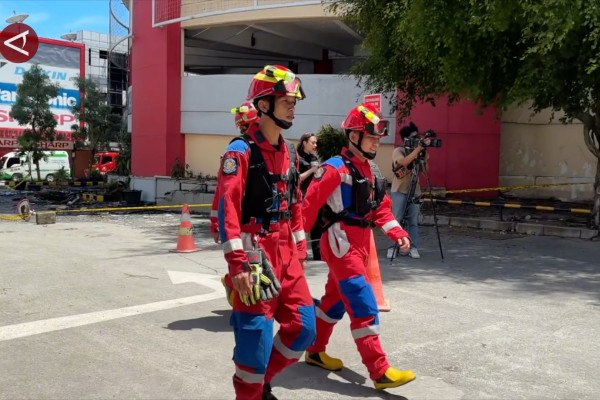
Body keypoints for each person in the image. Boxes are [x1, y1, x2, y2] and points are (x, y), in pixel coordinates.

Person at [214, 65, 316, 400]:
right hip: (254, 254)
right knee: (254, 341)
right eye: (286, 99)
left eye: (293, 100)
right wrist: (238, 264)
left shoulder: (289, 152)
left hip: (287, 255)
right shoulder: (240, 152)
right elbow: (227, 207)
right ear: (263, 105)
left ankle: (262, 383)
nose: (293, 105)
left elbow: (295, 203)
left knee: (303, 328)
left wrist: (299, 249)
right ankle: (250, 390)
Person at [301, 103, 416, 390]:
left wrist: (397, 232)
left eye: (378, 139)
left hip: (361, 243)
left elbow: (382, 210)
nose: (376, 143)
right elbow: (307, 207)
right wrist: (297, 248)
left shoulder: (372, 169)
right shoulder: (333, 169)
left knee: (333, 301)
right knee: (364, 304)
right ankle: (380, 371)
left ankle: (315, 351)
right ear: (353, 137)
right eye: (371, 138)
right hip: (341, 243)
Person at [210, 101, 260, 306]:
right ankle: (235, 290)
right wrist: (216, 224)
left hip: (262, 228)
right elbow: (223, 194)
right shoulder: (239, 150)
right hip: (244, 226)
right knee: (249, 278)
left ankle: (232, 282)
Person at [390, 122, 429, 259]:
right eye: (414, 137)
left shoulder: (420, 152)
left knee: (413, 221)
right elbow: (404, 162)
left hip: (415, 191)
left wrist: (423, 156)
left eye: (418, 137)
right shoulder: (398, 151)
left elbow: (425, 171)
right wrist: (417, 151)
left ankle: (414, 247)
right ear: (406, 139)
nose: (418, 140)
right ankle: (394, 246)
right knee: (397, 220)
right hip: (399, 190)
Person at [297, 132, 323, 260]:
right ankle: (299, 253)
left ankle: (318, 254)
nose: (315, 145)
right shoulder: (298, 158)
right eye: (313, 142)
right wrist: (312, 170)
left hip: (313, 196)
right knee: (300, 224)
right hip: (301, 196)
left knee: (316, 224)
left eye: (316, 142)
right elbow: (298, 178)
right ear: (304, 143)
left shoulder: (314, 158)